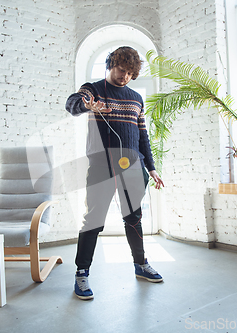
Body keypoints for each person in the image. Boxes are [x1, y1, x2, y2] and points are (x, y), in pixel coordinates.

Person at [65, 46, 165, 300]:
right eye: (122, 70)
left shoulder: (136, 99)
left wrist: (151, 168)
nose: (125, 76)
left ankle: (141, 265)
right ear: (111, 65)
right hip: (101, 166)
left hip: (133, 167)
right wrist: (87, 106)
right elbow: (73, 104)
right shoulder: (94, 90)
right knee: (93, 220)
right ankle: (82, 273)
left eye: (131, 73)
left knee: (134, 218)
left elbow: (143, 135)